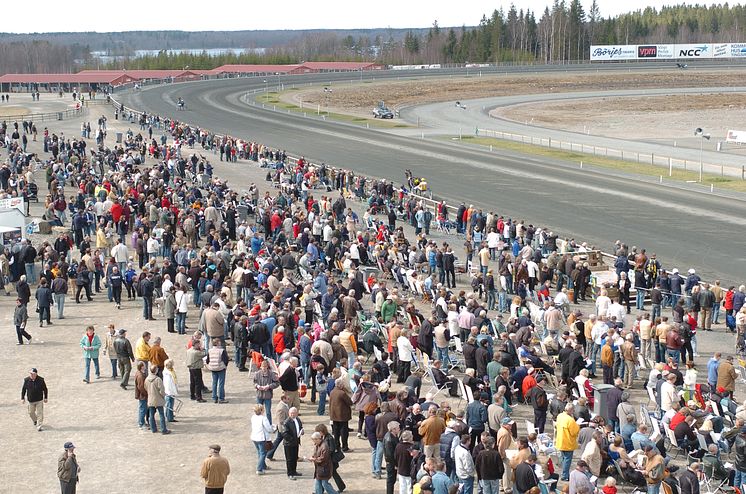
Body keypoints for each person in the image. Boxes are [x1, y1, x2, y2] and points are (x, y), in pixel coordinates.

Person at [555, 403, 580, 481]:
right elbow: (574, 432)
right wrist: (578, 425)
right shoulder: (570, 420)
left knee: (563, 458)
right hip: (568, 443)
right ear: (571, 410)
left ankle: (563, 472)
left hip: (560, 441)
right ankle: (565, 475)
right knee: (567, 460)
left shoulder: (560, 416)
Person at [145, 365, 170, 434]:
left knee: (151, 415)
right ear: (156, 371)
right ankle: (163, 430)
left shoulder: (146, 379)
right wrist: (163, 396)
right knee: (161, 415)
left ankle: (153, 429)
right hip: (158, 399)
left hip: (150, 399)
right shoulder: (158, 379)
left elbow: (145, 388)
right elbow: (161, 390)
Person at [21, 367, 48, 431]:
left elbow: (45, 389)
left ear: (36, 374)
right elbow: (23, 389)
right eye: (30, 373)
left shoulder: (41, 380)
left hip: (39, 400)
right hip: (31, 400)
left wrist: (46, 397)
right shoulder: (26, 380)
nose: (31, 375)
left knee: (40, 413)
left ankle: (39, 425)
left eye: (33, 374)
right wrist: (22, 398)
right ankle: (35, 420)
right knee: (31, 412)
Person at [250, 404, 273, 475]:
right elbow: (268, 428)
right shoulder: (264, 418)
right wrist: (273, 428)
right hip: (261, 438)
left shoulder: (253, 417)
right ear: (261, 410)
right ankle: (259, 469)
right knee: (263, 453)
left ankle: (263, 465)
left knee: (259, 452)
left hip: (254, 437)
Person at [205, 337, 228, 403]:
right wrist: (225, 366)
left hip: (213, 368)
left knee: (214, 383)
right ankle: (221, 398)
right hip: (220, 368)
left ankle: (214, 397)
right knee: (221, 383)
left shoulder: (210, 350)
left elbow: (207, 360)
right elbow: (225, 360)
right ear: (218, 343)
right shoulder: (221, 351)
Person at [283, 406, 304, 480]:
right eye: (291, 413)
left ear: (297, 413)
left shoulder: (297, 419)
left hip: (296, 443)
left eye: (294, 413)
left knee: (295, 458)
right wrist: (292, 439)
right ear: (289, 413)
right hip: (289, 444)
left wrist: (302, 431)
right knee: (289, 459)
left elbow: (300, 427)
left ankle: (294, 471)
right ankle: (290, 473)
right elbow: (285, 434)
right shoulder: (286, 422)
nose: (293, 415)